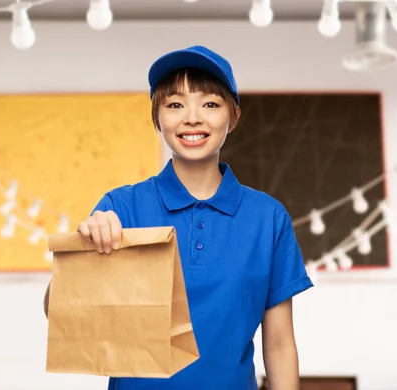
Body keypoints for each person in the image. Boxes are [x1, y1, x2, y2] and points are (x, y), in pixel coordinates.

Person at [44, 45, 314, 390]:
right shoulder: (120, 207)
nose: (192, 118)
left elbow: (279, 344)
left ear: (233, 117)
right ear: (157, 118)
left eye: (210, 104)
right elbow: (61, 313)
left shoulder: (268, 218)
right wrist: (82, 252)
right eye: (174, 105)